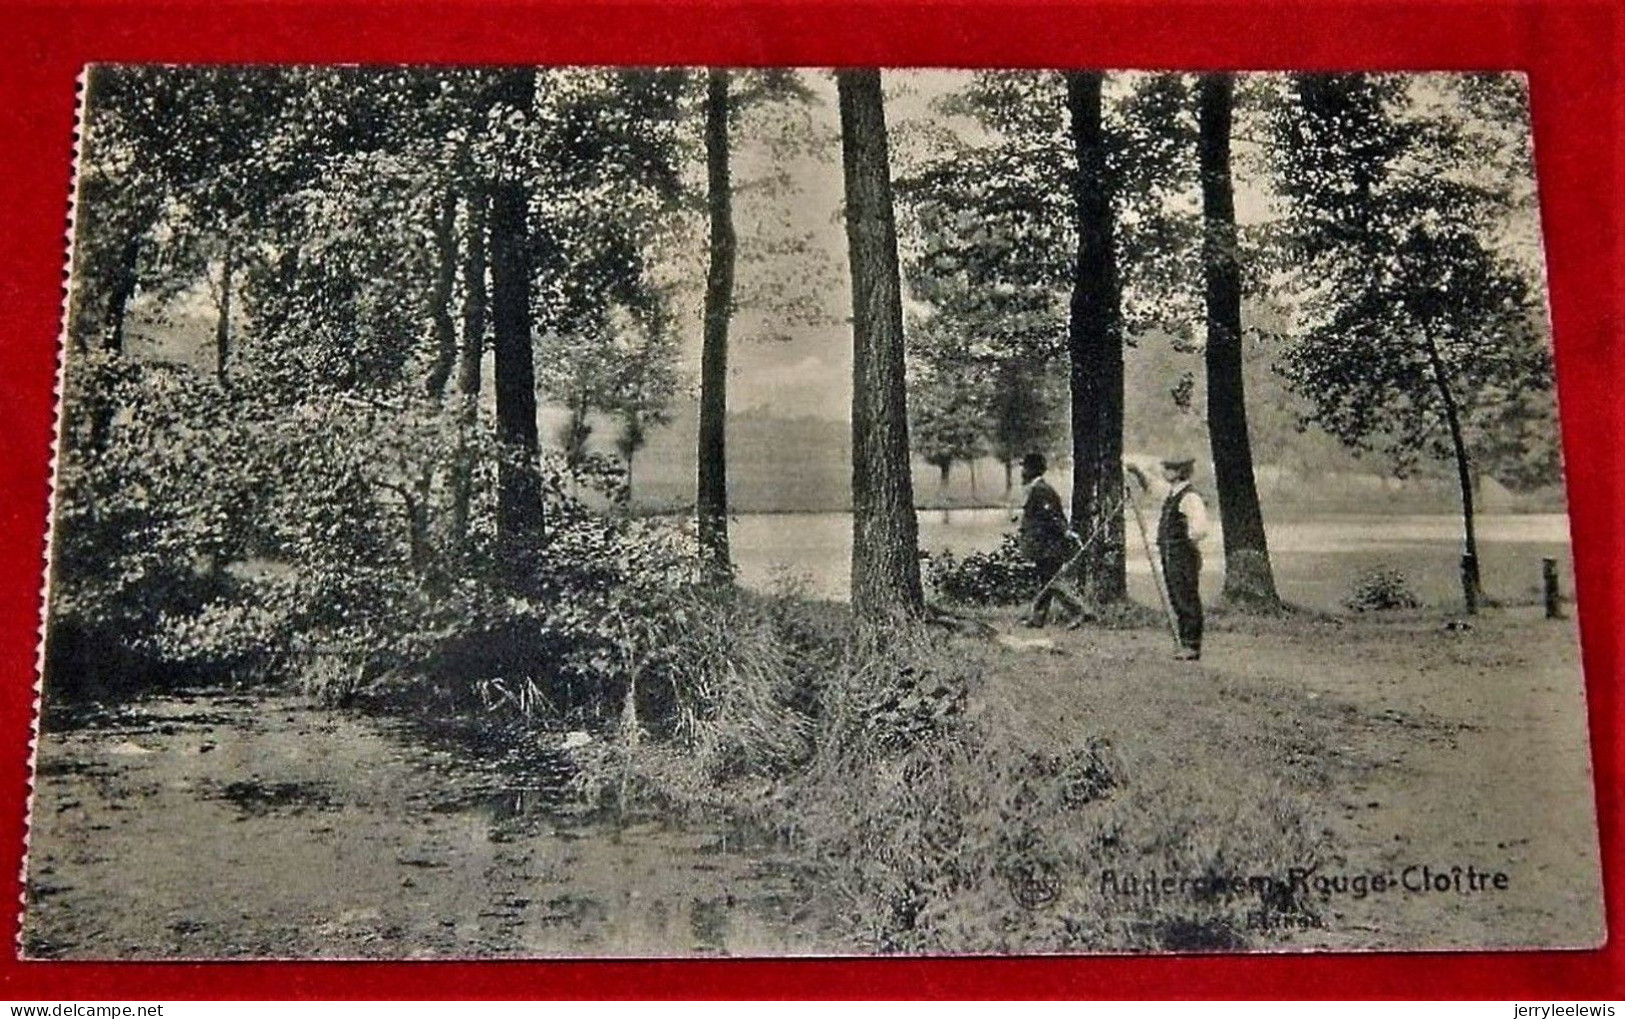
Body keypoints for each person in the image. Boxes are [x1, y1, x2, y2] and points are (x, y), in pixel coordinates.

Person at [1127, 456, 1210, 660]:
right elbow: (1153, 488)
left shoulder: (1190, 497)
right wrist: (1137, 473)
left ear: (1179, 472)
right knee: (1176, 597)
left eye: (1169, 468)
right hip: (1171, 554)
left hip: (1183, 555)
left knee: (1186, 597)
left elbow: (1199, 528)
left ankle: (1191, 645)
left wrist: (1185, 543)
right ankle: (1185, 642)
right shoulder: (1173, 493)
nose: (1164, 472)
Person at [1015, 452, 1085, 627]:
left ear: (1032, 469)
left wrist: (1066, 532)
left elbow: (1053, 517)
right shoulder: (1036, 489)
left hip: (1047, 544)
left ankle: (1078, 611)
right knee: (1046, 581)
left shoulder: (1041, 490)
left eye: (1025, 467)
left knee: (1052, 581)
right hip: (1042, 544)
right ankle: (1038, 618)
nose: (1022, 471)